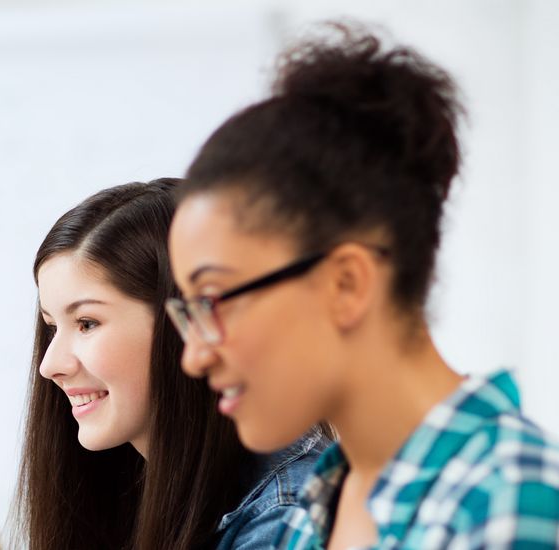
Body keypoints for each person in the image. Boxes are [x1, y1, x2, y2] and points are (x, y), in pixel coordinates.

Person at [166, 24, 559, 548]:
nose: (193, 356)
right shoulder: (317, 504)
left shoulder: (506, 501)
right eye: (189, 311)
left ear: (346, 284)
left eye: (214, 300)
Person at [17, 179, 325, 549]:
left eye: (87, 323)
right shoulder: (129, 489)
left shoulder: (286, 522)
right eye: (52, 328)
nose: (49, 366)